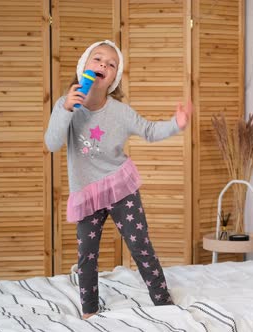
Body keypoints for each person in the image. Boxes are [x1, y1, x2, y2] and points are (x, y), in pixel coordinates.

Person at [44, 40, 193, 319]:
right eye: (97, 59)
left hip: (118, 185)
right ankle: (89, 310)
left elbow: (149, 130)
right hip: (87, 191)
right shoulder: (66, 106)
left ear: (114, 79)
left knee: (140, 245)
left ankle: (163, 304)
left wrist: (176, 124)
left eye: (111, 65)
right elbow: (52, 144)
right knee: (86, 255)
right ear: (83, 68)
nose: (103, 65)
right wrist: (65, 109)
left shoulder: (120, 112)